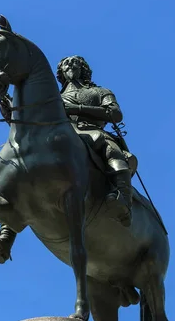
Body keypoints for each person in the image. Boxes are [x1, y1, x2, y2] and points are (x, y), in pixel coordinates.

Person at [56, 55, 133, 226]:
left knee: (111, 150)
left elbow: (115, 113)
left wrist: (76, 108)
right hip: (60, 131)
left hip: (91, 131)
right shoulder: (52, 96)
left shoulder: (100, 91)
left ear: (83, 68)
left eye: (73, 62)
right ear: (61, 71)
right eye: (65, 63)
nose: (69, 64)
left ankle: (124, 201)